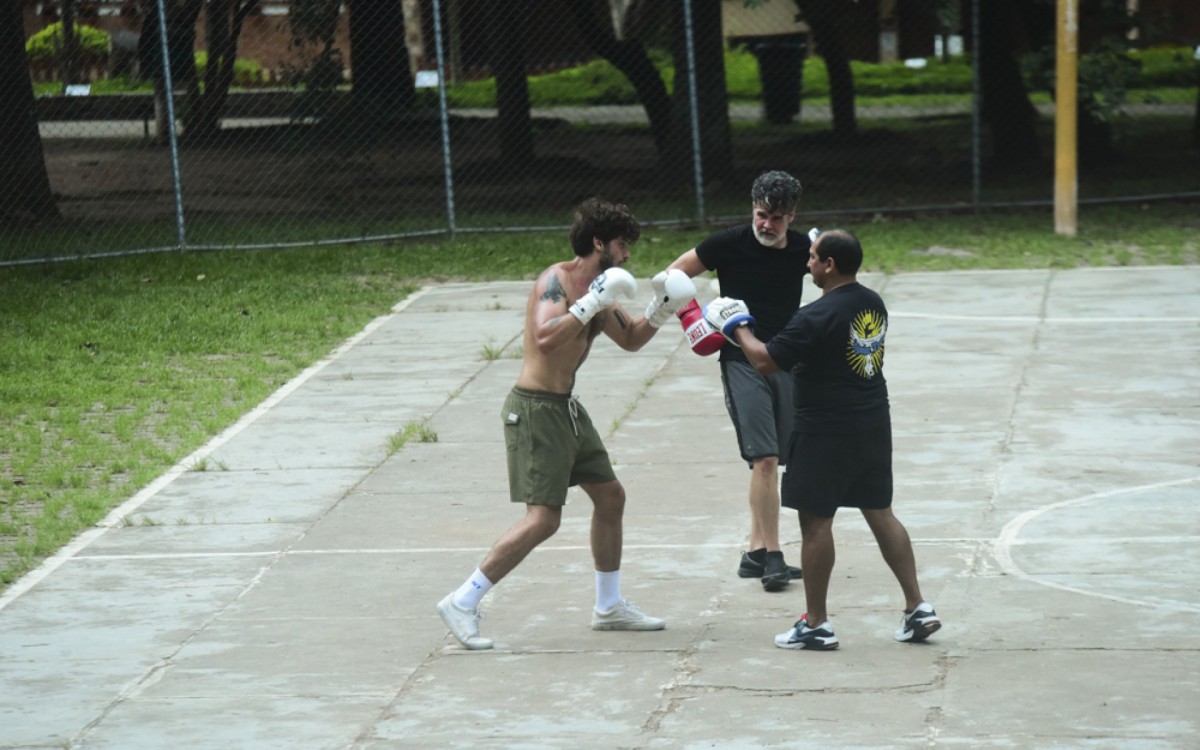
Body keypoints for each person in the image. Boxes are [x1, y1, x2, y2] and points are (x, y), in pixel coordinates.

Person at [437, 197, 697, 650]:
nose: (628, 255)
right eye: (621, 245)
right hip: (535, 411)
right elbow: (544, 336)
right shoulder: (555, 283)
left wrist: (663, 307)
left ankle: (609, 605)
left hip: (567, 410)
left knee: (610, 496)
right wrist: (593, 300)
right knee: (543, 520)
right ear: (598, 243)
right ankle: (463, 600)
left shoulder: (600, 290)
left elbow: (632, 338)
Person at [705, 229, 941, 650]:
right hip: (872, 421)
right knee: (881, 513)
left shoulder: (815, 316)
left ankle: (815, 624)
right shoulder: (872, 301)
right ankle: (917, 606)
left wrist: (735, 325)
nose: (806, 263)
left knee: (816, 524)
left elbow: (764, 361)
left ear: (829, 264)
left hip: (825, 429)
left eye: (813, 257)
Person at [662, 170, 810, 591]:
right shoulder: (727, 244)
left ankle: (755, 553)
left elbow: (834, 280)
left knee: (773, 460)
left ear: (792, 217)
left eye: (777, 218)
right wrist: (695, 319)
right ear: (752, 208)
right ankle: (777, 557)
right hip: (740, 359)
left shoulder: (802, 248)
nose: (767, 224)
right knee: (763, 458)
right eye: (761, 214)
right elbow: (672, 278)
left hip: (785, 361)